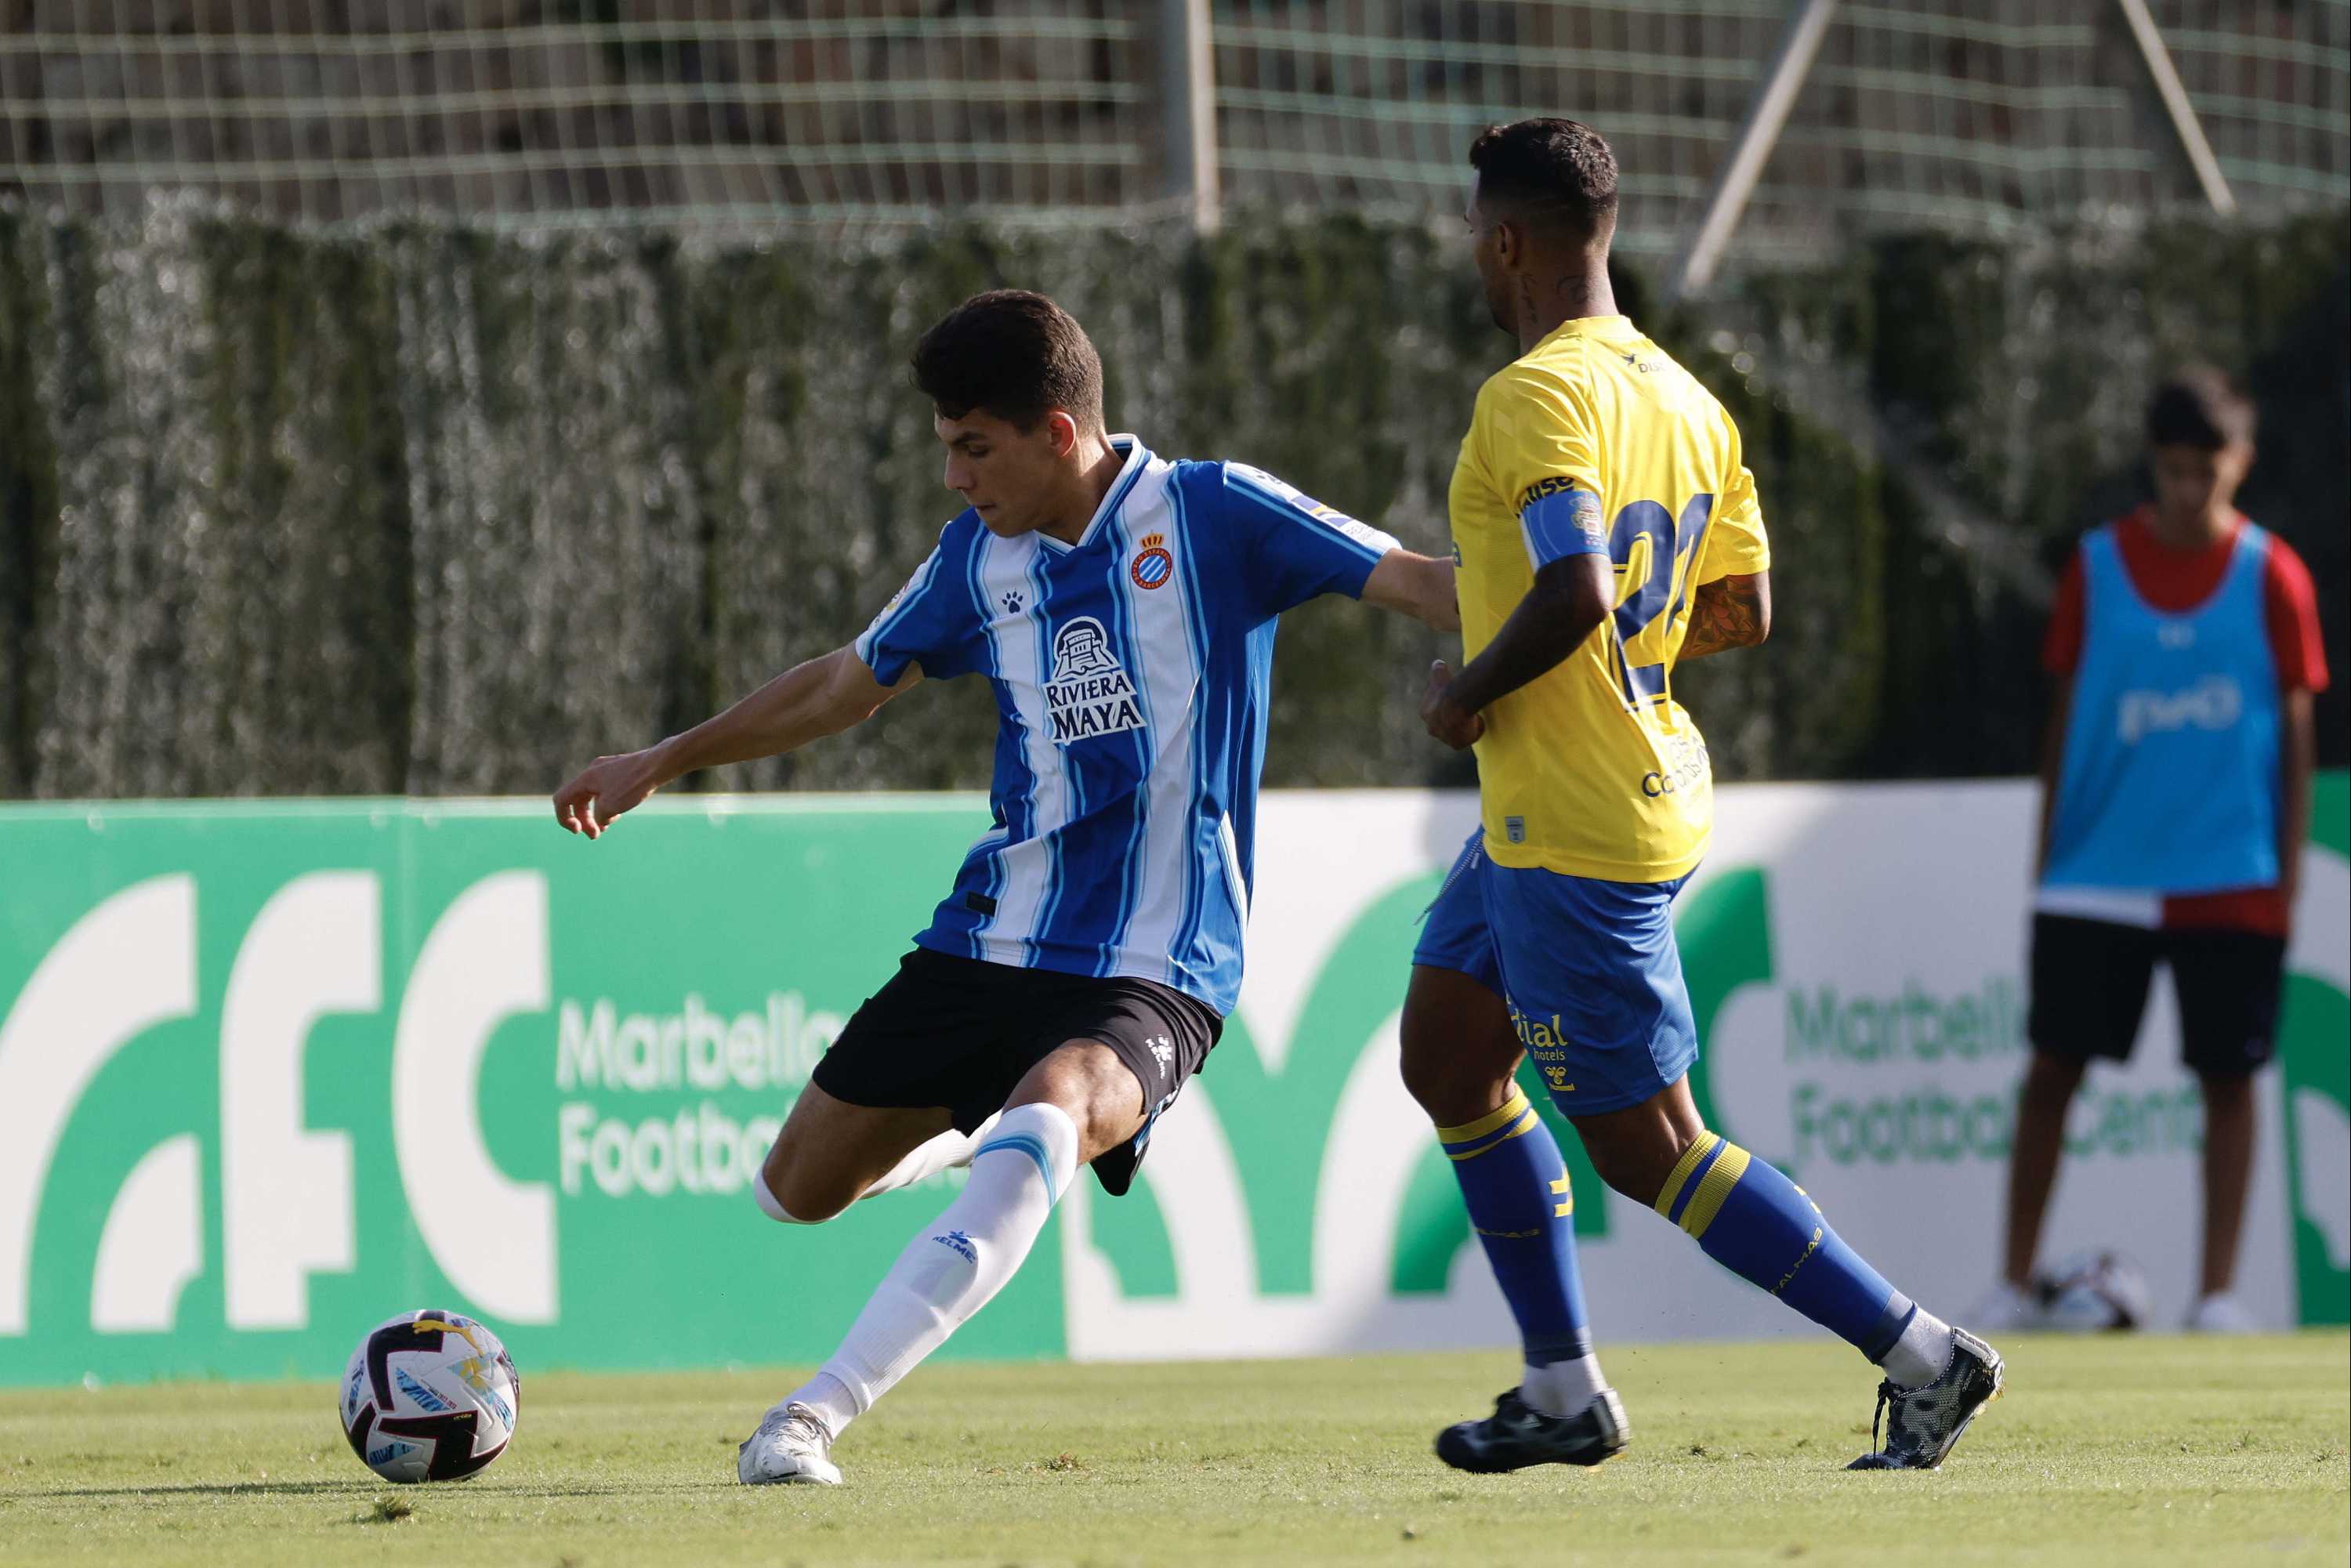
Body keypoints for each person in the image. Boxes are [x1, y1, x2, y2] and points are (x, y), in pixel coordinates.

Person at [551, 288, 1458, 1485]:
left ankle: (809, 1418)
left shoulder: (1214, 511)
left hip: (1162, 960)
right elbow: (843, 684)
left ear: (1058, 432)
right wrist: (664, 759)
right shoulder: (976, 560)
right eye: (947, 447)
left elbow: (1420, 581)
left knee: (1053, 1112)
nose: (955, 476)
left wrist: (1603, 617)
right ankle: (990, 1140)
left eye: (974, 447)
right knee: (796, 1191)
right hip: (992, 940)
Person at [1403, 118, 2001, 1474]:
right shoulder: (1687, 399)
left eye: (1476, 237)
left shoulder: (1533, 396)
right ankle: (1561, 1387)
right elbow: (1744, 607)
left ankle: (1925, 1352)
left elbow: (1577, 588)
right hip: (1588, 795)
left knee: (1654, 1148)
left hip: (1576, 821)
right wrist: (1620, 661)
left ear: (1509, 240)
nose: (1473, 259)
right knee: (1447, 1057)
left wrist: (1467, 693)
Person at [1976, 367, 2327, 1334]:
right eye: (2173, 470)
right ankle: (2012, 1283)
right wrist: (2048, 854)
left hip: (2231, 874)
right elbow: (2064, 716)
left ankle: (2216, 1296)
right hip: (2097, 875)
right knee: (2052, 1072)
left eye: (2206, 470)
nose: (2188, 489)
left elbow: (2297, 731)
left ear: (2240, 463)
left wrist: (2288, 869)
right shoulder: (2094, 568)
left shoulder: (2275, 577)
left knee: (2229, 1082)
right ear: (2153, 464)